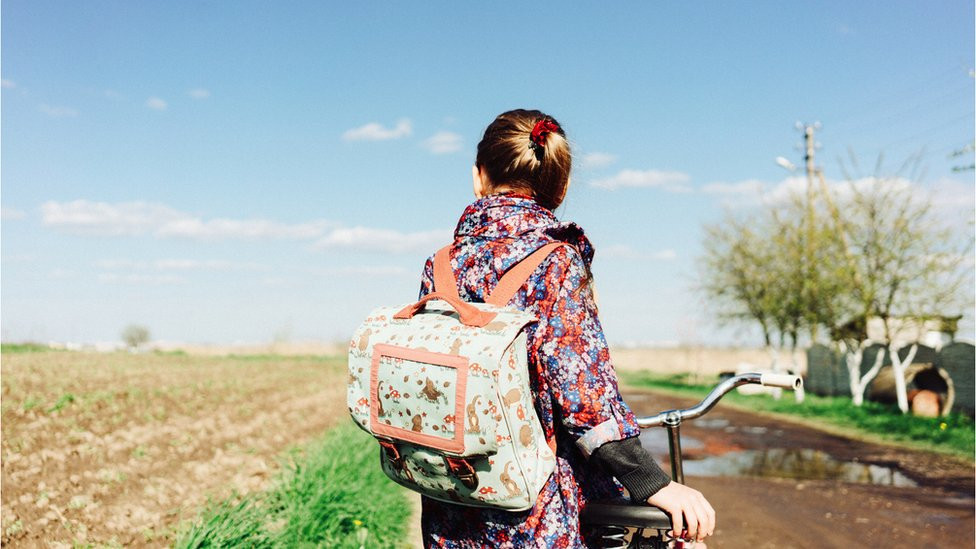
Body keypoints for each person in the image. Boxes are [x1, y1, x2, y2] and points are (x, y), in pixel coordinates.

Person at [417, 109, 715, 547]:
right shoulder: (555, 263)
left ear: (478, 177)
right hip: (530, 513)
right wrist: (655, 484)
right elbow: (586, 401)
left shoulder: (440, 265)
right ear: (562, 187)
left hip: (452, 501)